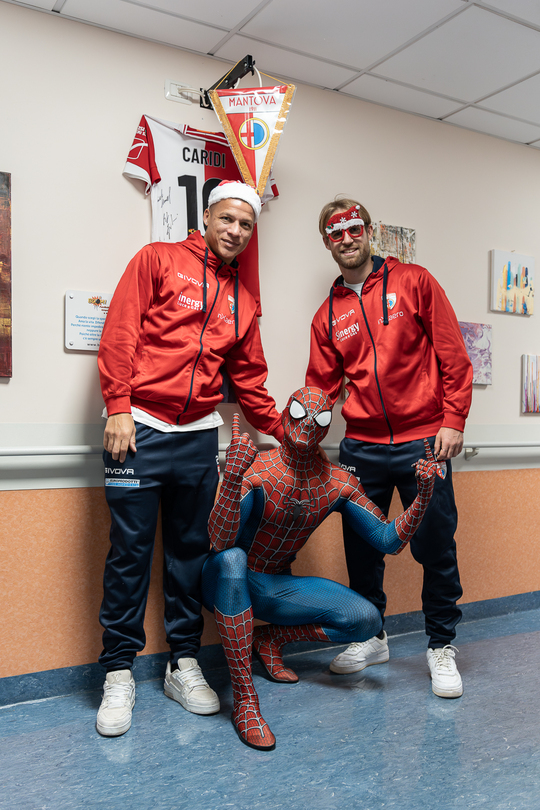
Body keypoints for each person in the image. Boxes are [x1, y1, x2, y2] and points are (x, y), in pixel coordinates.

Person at [95, 181, 284, 737]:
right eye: (228, 219)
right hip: (139, 429)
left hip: (199, 436)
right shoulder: (157, 259)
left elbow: (250, 380)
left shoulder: (242, 299)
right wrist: (118, 406)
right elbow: (120, 333)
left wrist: (287, 435)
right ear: (207, 217)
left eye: (246, 224)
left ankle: (183, 663)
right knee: (129, 554)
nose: (236, 231)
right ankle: (118, 672)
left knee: (189, 556)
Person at [202, 387, 439, 750]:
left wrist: (422, 498)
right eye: (300, 412)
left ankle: (271, 638)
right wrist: (233, 479)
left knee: (367, 620)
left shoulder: (338, 482)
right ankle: (245, 701)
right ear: (285, 414)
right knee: (232, 558)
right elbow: (220, 543)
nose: (308, 423)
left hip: (274, 585)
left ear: (328, 427)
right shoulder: (257, 469)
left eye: (321, 417)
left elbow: (387, 540)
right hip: (225, 580)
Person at [306, 199, 473, 699]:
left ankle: (441, 645)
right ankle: (371, 635)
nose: (347, 238)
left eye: (354, 228)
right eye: (336, 233)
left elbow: (453, 356)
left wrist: (453, 420)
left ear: (368, 231)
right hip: (361, 447)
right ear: (327, 242)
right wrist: (296, 439)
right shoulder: (327, 315)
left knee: (435, 545)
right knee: (362, 549)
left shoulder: (415, 282)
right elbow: (320, 389)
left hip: (424, 441)